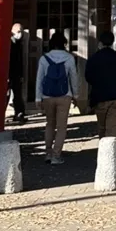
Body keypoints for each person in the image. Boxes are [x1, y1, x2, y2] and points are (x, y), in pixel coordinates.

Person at [35, 32, 79, 164]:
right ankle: (56, 155)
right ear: (64, 44)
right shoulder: (69, 58)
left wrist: (38, 98)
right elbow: (74, 77)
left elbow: (39, 79)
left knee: (50, 124)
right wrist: (76, 95)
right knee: (61, 127)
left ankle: (48, 153)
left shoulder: (44, 59)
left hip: (47, 96)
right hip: (64, 95)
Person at [85, 31, 116, 139]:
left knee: (102, 127)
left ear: (100, 43)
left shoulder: (94, 58)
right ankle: (110, 146)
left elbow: (88, 77)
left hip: (100, 96)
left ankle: (103, 146)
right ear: (112, 42)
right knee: (112, 128)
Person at [8, 23, 27, 123]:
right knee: (6, 95)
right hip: (9, 72)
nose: (20, 34)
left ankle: (19, 113)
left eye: (22, 32)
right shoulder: (9, 43)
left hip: (16, 73)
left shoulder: (19, 43)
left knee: (18, 95)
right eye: (19, 31)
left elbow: (20, 61)